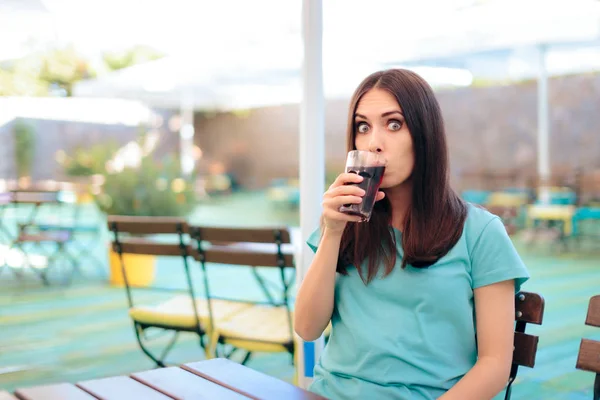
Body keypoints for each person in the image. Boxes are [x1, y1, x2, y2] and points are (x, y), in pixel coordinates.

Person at [294, 69, 530, 400]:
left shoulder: (479, 233)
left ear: (424, 133)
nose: (374, 142)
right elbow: (307, 328)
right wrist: (332, 232)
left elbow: (494, 365)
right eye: (363, 127)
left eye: (394, 124)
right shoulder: (343, 223)